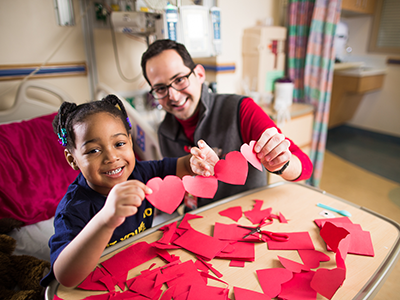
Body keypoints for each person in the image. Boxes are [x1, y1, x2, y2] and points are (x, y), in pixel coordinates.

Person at [40, 94, 218, 288]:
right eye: (93, 150)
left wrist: (195, 162)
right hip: (100, 286)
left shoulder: (141, 172)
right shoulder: (73, 210)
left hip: (142, 273)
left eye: (119, 144)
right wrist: (106, 219)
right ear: (72, 159)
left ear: (131, 143)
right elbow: (65, 277)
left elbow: (179, 166)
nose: (111, 157)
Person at [141, 39, 313, 210]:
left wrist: (281, 162)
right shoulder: (165, 132)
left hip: (248, 217)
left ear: (200, 74)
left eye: (179, 80)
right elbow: (181, 192)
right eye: (160, 89)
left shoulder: (240, 109)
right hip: (200, 219)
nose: (174, 96)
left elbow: (305, 166)